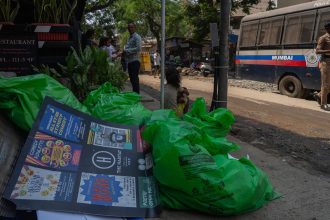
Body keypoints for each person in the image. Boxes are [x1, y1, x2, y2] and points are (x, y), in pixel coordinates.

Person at [315, 21, 330, 111]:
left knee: (329, 84)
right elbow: (317, 51)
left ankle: (319, 95)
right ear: (328, 28)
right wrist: (328, 50)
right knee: (325, 84)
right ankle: (323, 104)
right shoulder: (323, 38)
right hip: (325, 63)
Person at [124, 22, 142, 93]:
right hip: (130, 61)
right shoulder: (129, 38)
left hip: (135, 61)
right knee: (132, 79)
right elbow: (128, 48)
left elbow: (138, 48)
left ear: (135, 28)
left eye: (131, 27)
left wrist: (127, 51)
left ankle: (136, 95)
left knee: (134, 79)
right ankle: (135, 93)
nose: (130, 29)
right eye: (129, 27)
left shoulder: (137, 37)